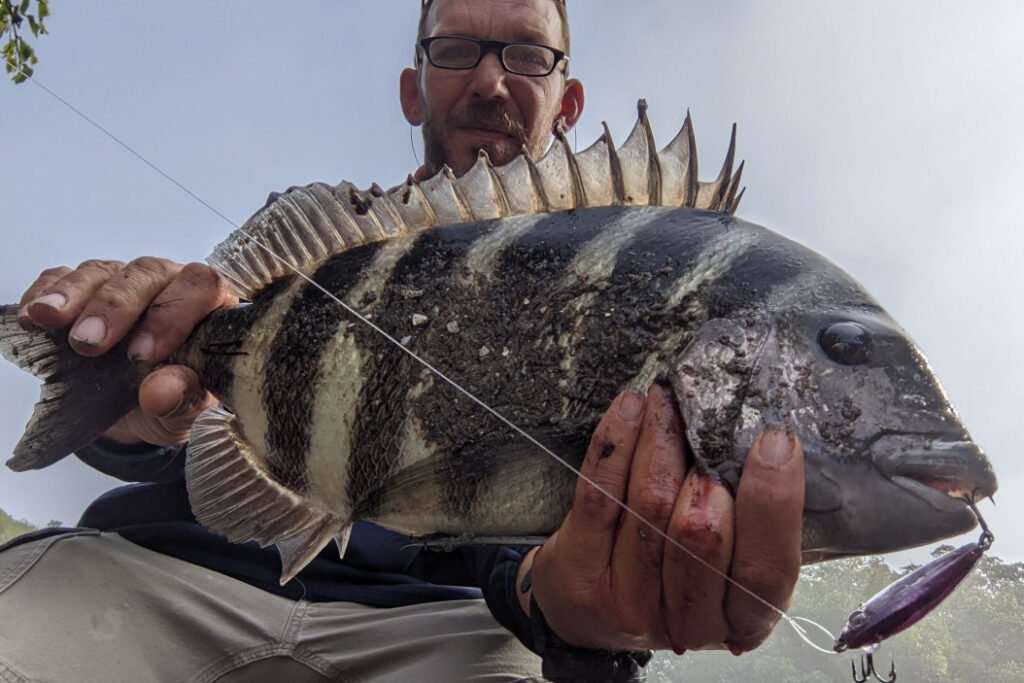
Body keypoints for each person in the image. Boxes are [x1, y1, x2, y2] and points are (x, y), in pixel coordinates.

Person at [1, 1, 804, 681]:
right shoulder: (314, 246)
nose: (490, 82)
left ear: (567, 101)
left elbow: (533, 569)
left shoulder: (635, 282)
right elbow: (180, 420)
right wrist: (126, 389)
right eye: (455, 50)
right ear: (412, 92)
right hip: (158, 575)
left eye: (526, 52)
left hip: (449, 632)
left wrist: (578, 609)